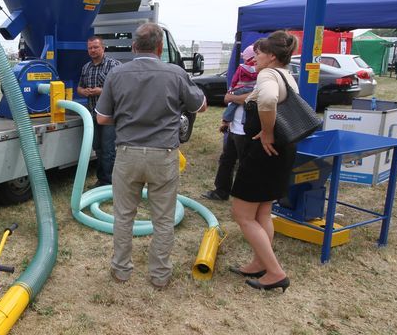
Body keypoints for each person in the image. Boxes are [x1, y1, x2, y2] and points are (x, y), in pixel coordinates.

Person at [95, 23, 207, 289]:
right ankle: (159, 275)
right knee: (163, 218)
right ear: (160, 48)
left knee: (124, 216)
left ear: (134, 47)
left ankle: (121, 270)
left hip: (127, 154)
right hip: (163, 155)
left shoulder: (116, 74)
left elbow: (101, 118)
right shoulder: (175, 73)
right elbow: (200, 106)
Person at [229, 30, 299, 292]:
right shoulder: (288, 76)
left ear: (271, 56)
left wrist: (267, 132)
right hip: (282, 151)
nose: (254, 58)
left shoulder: (268, 74)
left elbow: (268, 99)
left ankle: (275, 272)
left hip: (263, 151)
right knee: (262, 212)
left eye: (258, 53)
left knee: (242, 214)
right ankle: (260, 262)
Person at [203, 42, 260, 201]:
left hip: (245, 130)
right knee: (226, 160)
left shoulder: (265, 77)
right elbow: (234, 97)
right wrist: (226, 121)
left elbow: (251, 99)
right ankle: (221, 191)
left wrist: (232, 97)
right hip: (234, 128)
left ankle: (245, 197)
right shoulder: (250, 74)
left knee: (244, 164)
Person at [77, 36, 121, 187]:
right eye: (90, 48)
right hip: (92, 115)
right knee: (98, 149)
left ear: (103, 48)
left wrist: (100, 91)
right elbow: (79, 88)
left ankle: (109, 182)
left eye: (96, 47)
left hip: (109, 115)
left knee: (108, 149)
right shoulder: (86, 68)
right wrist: (85, 92)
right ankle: (102, 180)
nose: (93, 50)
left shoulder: (114, 65)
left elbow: (121, 88)